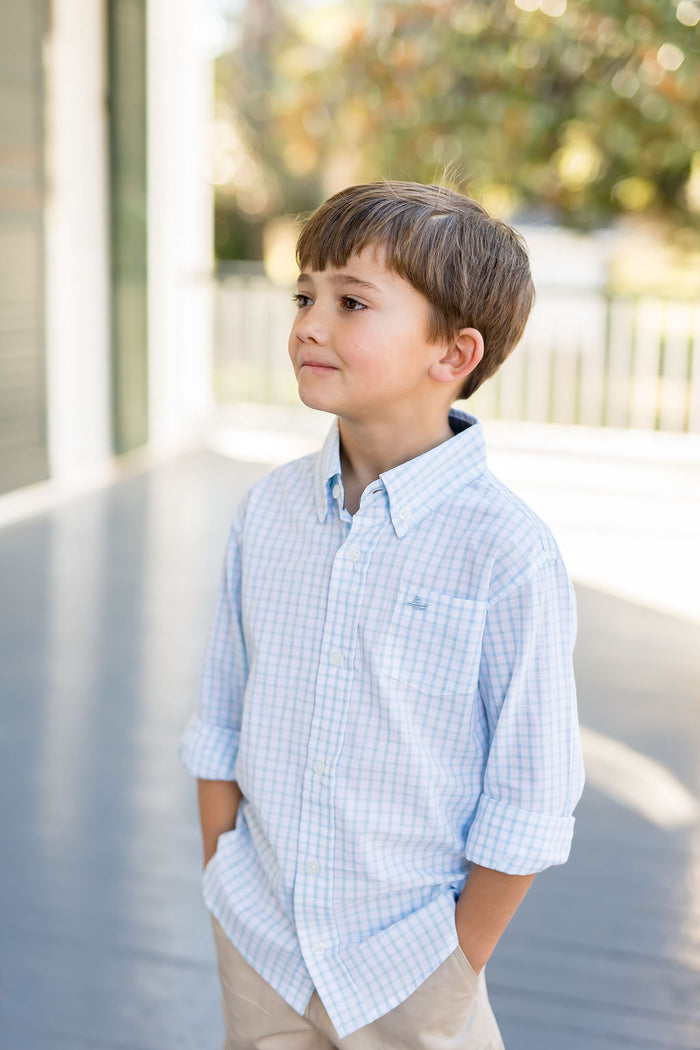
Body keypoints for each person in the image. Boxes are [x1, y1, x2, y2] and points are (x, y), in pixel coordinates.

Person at [178, 181, 585, 1049]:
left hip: (410, 972)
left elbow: (531, 794)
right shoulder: (268, 513)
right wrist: (224, 873)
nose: (307, 325)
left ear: (453, 354)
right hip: (262, 948)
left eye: (351, 302)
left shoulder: (507, 553)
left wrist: (455, 964)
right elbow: (221, 716)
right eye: (304, 295)